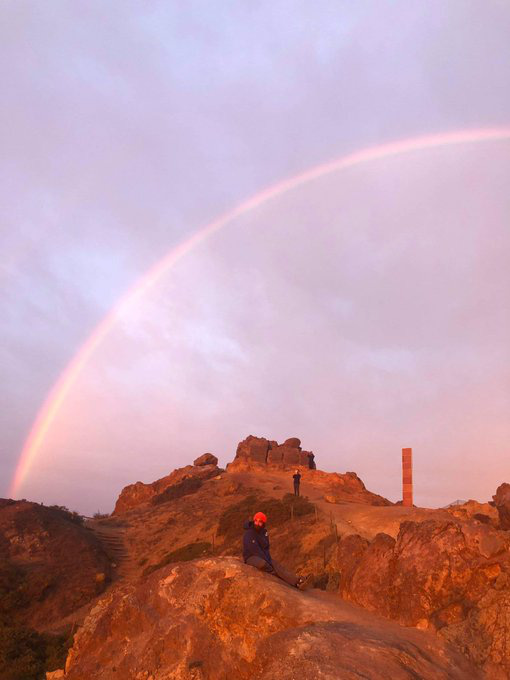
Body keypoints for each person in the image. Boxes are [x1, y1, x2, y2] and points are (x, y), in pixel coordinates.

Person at [243, 511, 312, 590]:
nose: (257, 523)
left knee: (277, 566)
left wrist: (268, 558)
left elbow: (266, 547)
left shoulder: (264, 532)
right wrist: (267, 560)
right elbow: (254, 549)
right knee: (265, 565)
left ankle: (299, 581)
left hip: (263, 555)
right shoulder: (249, 533)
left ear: (263, 523)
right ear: (253, 520)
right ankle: (296, 581)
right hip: (250, 557)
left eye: (260, 522)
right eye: (256, 521)